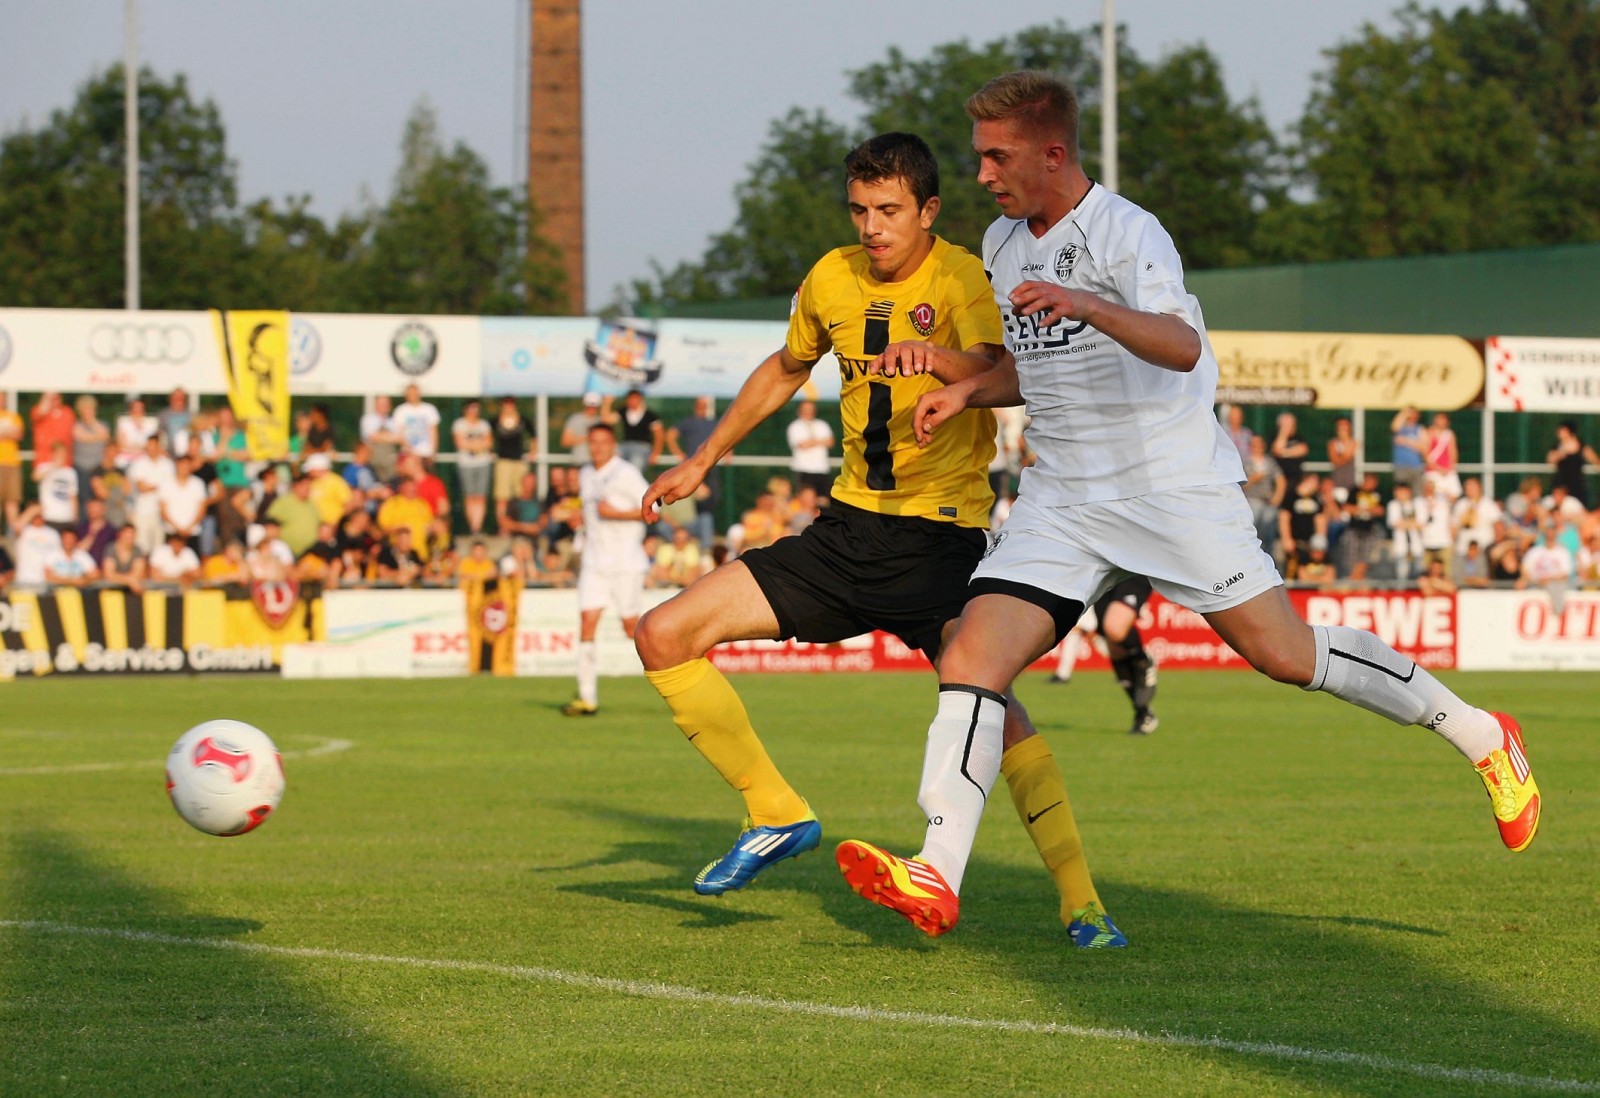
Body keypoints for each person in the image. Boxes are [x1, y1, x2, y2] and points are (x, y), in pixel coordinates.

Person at [837, 72, 1540, 943]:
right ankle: (937, 870)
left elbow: (1180, 344)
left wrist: (1089, 300)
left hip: (1170, 485)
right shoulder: (1004, 240)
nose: (982, 174)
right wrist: (962, 386)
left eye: (997, 156)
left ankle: (1478, 731)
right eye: (980, 156)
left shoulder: (1129, 233)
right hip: (1062, 496)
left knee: (1284, 655)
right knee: (973, 650)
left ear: (1053, 154)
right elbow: (1037, 366)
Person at [635, 131, 1116, 947]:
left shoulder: (964, 274)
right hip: (845, 533)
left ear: (928, 210)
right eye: (859, 209)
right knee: (663, 633)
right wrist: (702, 458)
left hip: (939, 542)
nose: (871, 227)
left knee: (1000, 719)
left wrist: (944, 369)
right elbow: (787, 368)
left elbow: (1007, 373)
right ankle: (778, 814)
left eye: (889, 210)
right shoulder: (831, 276)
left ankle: (1082, 902)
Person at [563, 422, 650, 716]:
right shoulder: (587, 473)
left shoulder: (625, 473)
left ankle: (682, 675)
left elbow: (652, 509)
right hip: (594, 562)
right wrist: (579, 520)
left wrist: (617, 514)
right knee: (587, 622)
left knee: (633, 629)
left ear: (613, 444)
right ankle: (587, 697)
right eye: (593, 441)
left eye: (603, 442)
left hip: (625, 562)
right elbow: (592, 512)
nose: (597, 447)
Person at [1049, 576, 1159, 734]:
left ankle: (1143, 660)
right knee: (1115, 649)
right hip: (1105, 571)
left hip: (1132, 570)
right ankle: (1143, 713)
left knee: (1114, 627)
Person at [452, 399, 494, 535]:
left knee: (481, 496)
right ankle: (472, 527)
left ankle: (478, 527)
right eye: (471, 407)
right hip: (466, 464)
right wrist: (478, 445)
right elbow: (460, 443)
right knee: (470, 496)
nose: (474, 411)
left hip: (483, 463)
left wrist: (472, 444)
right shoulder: (459, 424)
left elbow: (488, 443)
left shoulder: (483, 425)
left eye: (476, 408)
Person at [492, 396, 534, 533]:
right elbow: (487, 436)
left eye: (511, 403)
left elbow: (534, 435)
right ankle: (503, 527)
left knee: (520, 494)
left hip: (519, 462)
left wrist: (533, 452)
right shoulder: (495, 421)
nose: (508, 406)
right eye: (506, 403)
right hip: (503, 461)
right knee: (502, 497)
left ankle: (520, 525)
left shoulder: (522, 420)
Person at [785, 399, 835, 498]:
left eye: (811, 409)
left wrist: (811, 441)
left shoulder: (822, 425)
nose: (809, 411)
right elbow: (802, 445)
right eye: (806, 409)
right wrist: (820, 441)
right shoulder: (795, 426)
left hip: (822, 469)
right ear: (799, 410)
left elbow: (830, 442)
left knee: (823, 499)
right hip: (803, 469)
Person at [71, 395, 111, 516]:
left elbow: (105, 435)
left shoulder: (102, 424)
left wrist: (92, 424)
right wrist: (96, 437)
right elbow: (79, 436)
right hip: (81, 468)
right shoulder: (76, 425)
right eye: (84, 409)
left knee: (100, 499)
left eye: (90, 409)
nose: (87, 412)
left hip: (98, 468)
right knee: (84, 500)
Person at [1546, 421, 1597, 508]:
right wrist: (1563, 451)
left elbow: (1594, 459)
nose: (1559, 433)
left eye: (1562, 431)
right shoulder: (1557, 446)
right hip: (1561, 483)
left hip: (1577, 483)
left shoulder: (1581, 445)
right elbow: (1550, 460)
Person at [33, 442, 79, 533]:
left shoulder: (71, 472)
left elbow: (73, 495)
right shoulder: (44, 467)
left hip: (67, 517)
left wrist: (75, 514)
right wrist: (54, 466)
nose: (62, 455)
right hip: (49, 516)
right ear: (53, 454)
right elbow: (36, 477)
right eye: (59, 453)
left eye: (64, 453)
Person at [617, 388, 664, 472]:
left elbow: (659, 435)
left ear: (640, 399)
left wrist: (655, 453)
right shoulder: (623, 411)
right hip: (624, 446)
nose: (632, 401)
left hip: (642, 447)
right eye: (630, 399)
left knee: (634, 470)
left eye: (634, 399)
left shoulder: (650, 415)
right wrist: (607, 402)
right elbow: (607, 418)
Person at [561, 391, 613, 466]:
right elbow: (565, 441)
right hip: (580, 461)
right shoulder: (575, 419)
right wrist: (588, 437)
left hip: (598, 463)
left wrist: (607, 403)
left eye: (594, 406)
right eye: (589, 405)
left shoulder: (601, 421)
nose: (592, 408)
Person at [391, 385, 441, 460]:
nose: (413, 395)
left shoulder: (429, 409)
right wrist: (410, 450)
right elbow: (400, 433)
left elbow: (433, 432)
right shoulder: (401, 410)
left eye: (414, 392)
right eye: (410, 393)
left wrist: (433, 452)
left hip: (426, 453)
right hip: (408, 454)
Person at [361, 394, 404, 482]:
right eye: (381, 403)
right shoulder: (368, 419)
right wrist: (393, 437)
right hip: (372, 465)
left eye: (386, 403)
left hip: (391, 467)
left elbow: (402, 439)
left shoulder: (393, 421)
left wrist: (382, 436)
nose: (384, 406)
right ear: (376, 404)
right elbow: (373, 437)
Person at [1424, 411, 1462, 501]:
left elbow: (1453, 451)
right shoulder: (1429, 433)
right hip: (1432, 470)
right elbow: (1425, 453)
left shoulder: (1449, 434)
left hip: (1447, 470)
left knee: (1453, 495)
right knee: (1432, 495)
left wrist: (1450, 467)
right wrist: (1438, 469)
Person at [0, 392, 22, 534]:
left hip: (12, 464)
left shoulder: (13, 417)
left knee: (12, 500)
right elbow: (11, 433)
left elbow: (18, 434)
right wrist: (7, 432)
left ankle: (13, 533)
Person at [1390, 406, 1426, 492]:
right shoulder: (1400, 428)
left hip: (1416, 466)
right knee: (1402, 491)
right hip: (1401, 466)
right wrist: (1404, 412)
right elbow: (1394, 426)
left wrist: (1406, 441)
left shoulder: (1420, 429)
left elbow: (1423, 447)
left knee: (1417, 492)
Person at [1326, 415, 1357, 496]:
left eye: (1344, 425)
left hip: (1352, 483)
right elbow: (1336, 461)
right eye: (1340, 426)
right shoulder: (1332, 443)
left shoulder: (1355, 442)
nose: (1342, 428)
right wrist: (1346, 454)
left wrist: (1342, 455)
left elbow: (1346, 456)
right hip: (1337, 482)